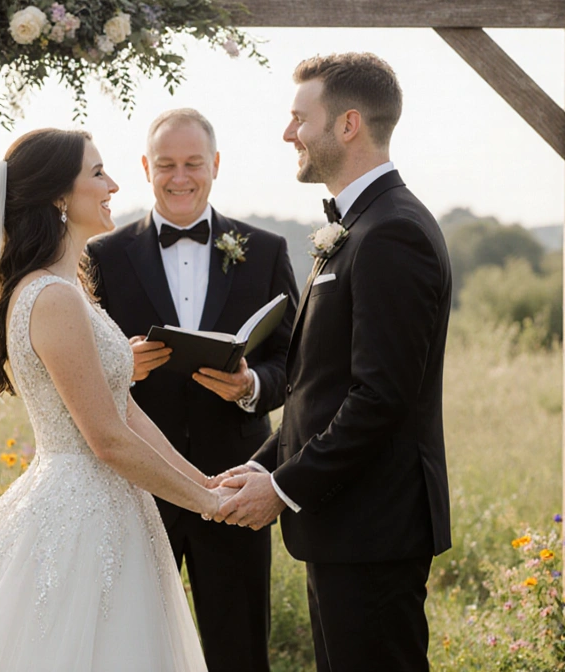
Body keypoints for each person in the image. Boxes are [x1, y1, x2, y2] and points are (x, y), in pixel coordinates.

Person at [0, 130, 233, 671]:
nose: (114, 185)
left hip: (109, 509)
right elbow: (105, 438)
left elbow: (125, 410)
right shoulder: (51, 297)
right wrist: (208, 506)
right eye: (98, 173)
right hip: (77, 515)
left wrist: (205, 482)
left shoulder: (68, 290)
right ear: (60, 196)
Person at [214, 53, 453, 671]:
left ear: (348, 124)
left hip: (374, 529)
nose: (288, 133)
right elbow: (320, 388)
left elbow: (379, 399)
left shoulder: (391, 232)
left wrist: (284, 489)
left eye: (300, 118)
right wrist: (260, 466)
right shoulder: (361, 225)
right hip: (344, 523)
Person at [85, 108, 297, 672]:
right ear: (146, 167)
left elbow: (294, 363)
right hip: (135, 482)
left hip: (235, 483)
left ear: (216, 165)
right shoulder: (102, 255)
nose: (181, 177)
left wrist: (252, 386)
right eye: (168, 165)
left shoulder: (267, 249)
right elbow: (76, 364)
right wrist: (119, 365)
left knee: (239, 647)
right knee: (130, 648)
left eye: (194, 164)